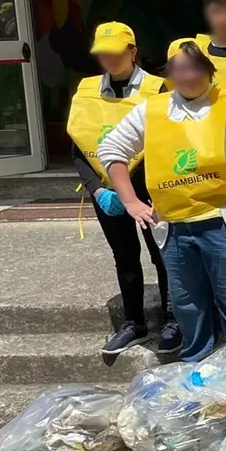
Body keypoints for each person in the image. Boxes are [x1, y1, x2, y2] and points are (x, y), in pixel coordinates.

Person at [99, 42, 226, 365]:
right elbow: (111, 149)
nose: (188, 76)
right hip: (174, 228)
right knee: (187, 305)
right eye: (179, 69)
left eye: (195, 67)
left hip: (225, 224)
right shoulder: (152, 110)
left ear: (210, 70)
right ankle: (197, 368)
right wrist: (130, 201)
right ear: (169, 75)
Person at [68, 22, 177, 355]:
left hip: (149, 188)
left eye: (116, 52)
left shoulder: (159, 88)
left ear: (133, 51)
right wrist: (98, 191)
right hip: (106, 191)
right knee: (125, 256)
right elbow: (78, 148)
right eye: (103, 53)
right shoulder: (87, 90)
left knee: (162, 253)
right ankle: (134, 323)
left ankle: (173, 318)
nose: (110, 58)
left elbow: (171, 141)